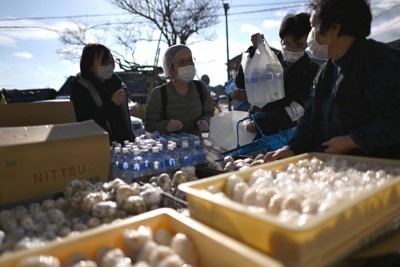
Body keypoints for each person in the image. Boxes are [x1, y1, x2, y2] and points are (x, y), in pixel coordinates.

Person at [264, 0, 400, 162]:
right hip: (336, 168)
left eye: (314, 27)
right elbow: (309, 117)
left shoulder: (378, 61)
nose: (310, 35)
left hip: (379, 169)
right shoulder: (325, 71)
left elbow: (394, 118)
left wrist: (351, 141)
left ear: (334, 28)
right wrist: (292, 148)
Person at [233, 12, 320, 137]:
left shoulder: (312, 71)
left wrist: (260, 124)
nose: (292, 50)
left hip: (284, 135)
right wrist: (254, 53)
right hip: (253, 129)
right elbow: (241, 82)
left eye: (299, 46)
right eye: (287, 44)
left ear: (307, 43)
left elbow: (297, 108)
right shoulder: (267, 61)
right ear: (281, 41)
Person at [70, 43, 134, 144]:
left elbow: (123, 119)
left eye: (111, 62)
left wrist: (131, 139)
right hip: (97, 147)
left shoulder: (117, 83)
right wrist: (112, 103)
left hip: (122, 147)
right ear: (89, 65)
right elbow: (86, 122)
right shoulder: (80, 87)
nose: (109, 66)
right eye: (104, 62)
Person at [145, 44, 215, 137]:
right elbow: (150, 125)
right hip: (168, 148)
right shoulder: (159, 94)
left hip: (196, 148)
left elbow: (209, 113)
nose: (188, 65)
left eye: (190, 60)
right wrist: (166, 125)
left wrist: (206, 121)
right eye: (182, 62)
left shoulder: (200, 88)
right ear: (171, 69)